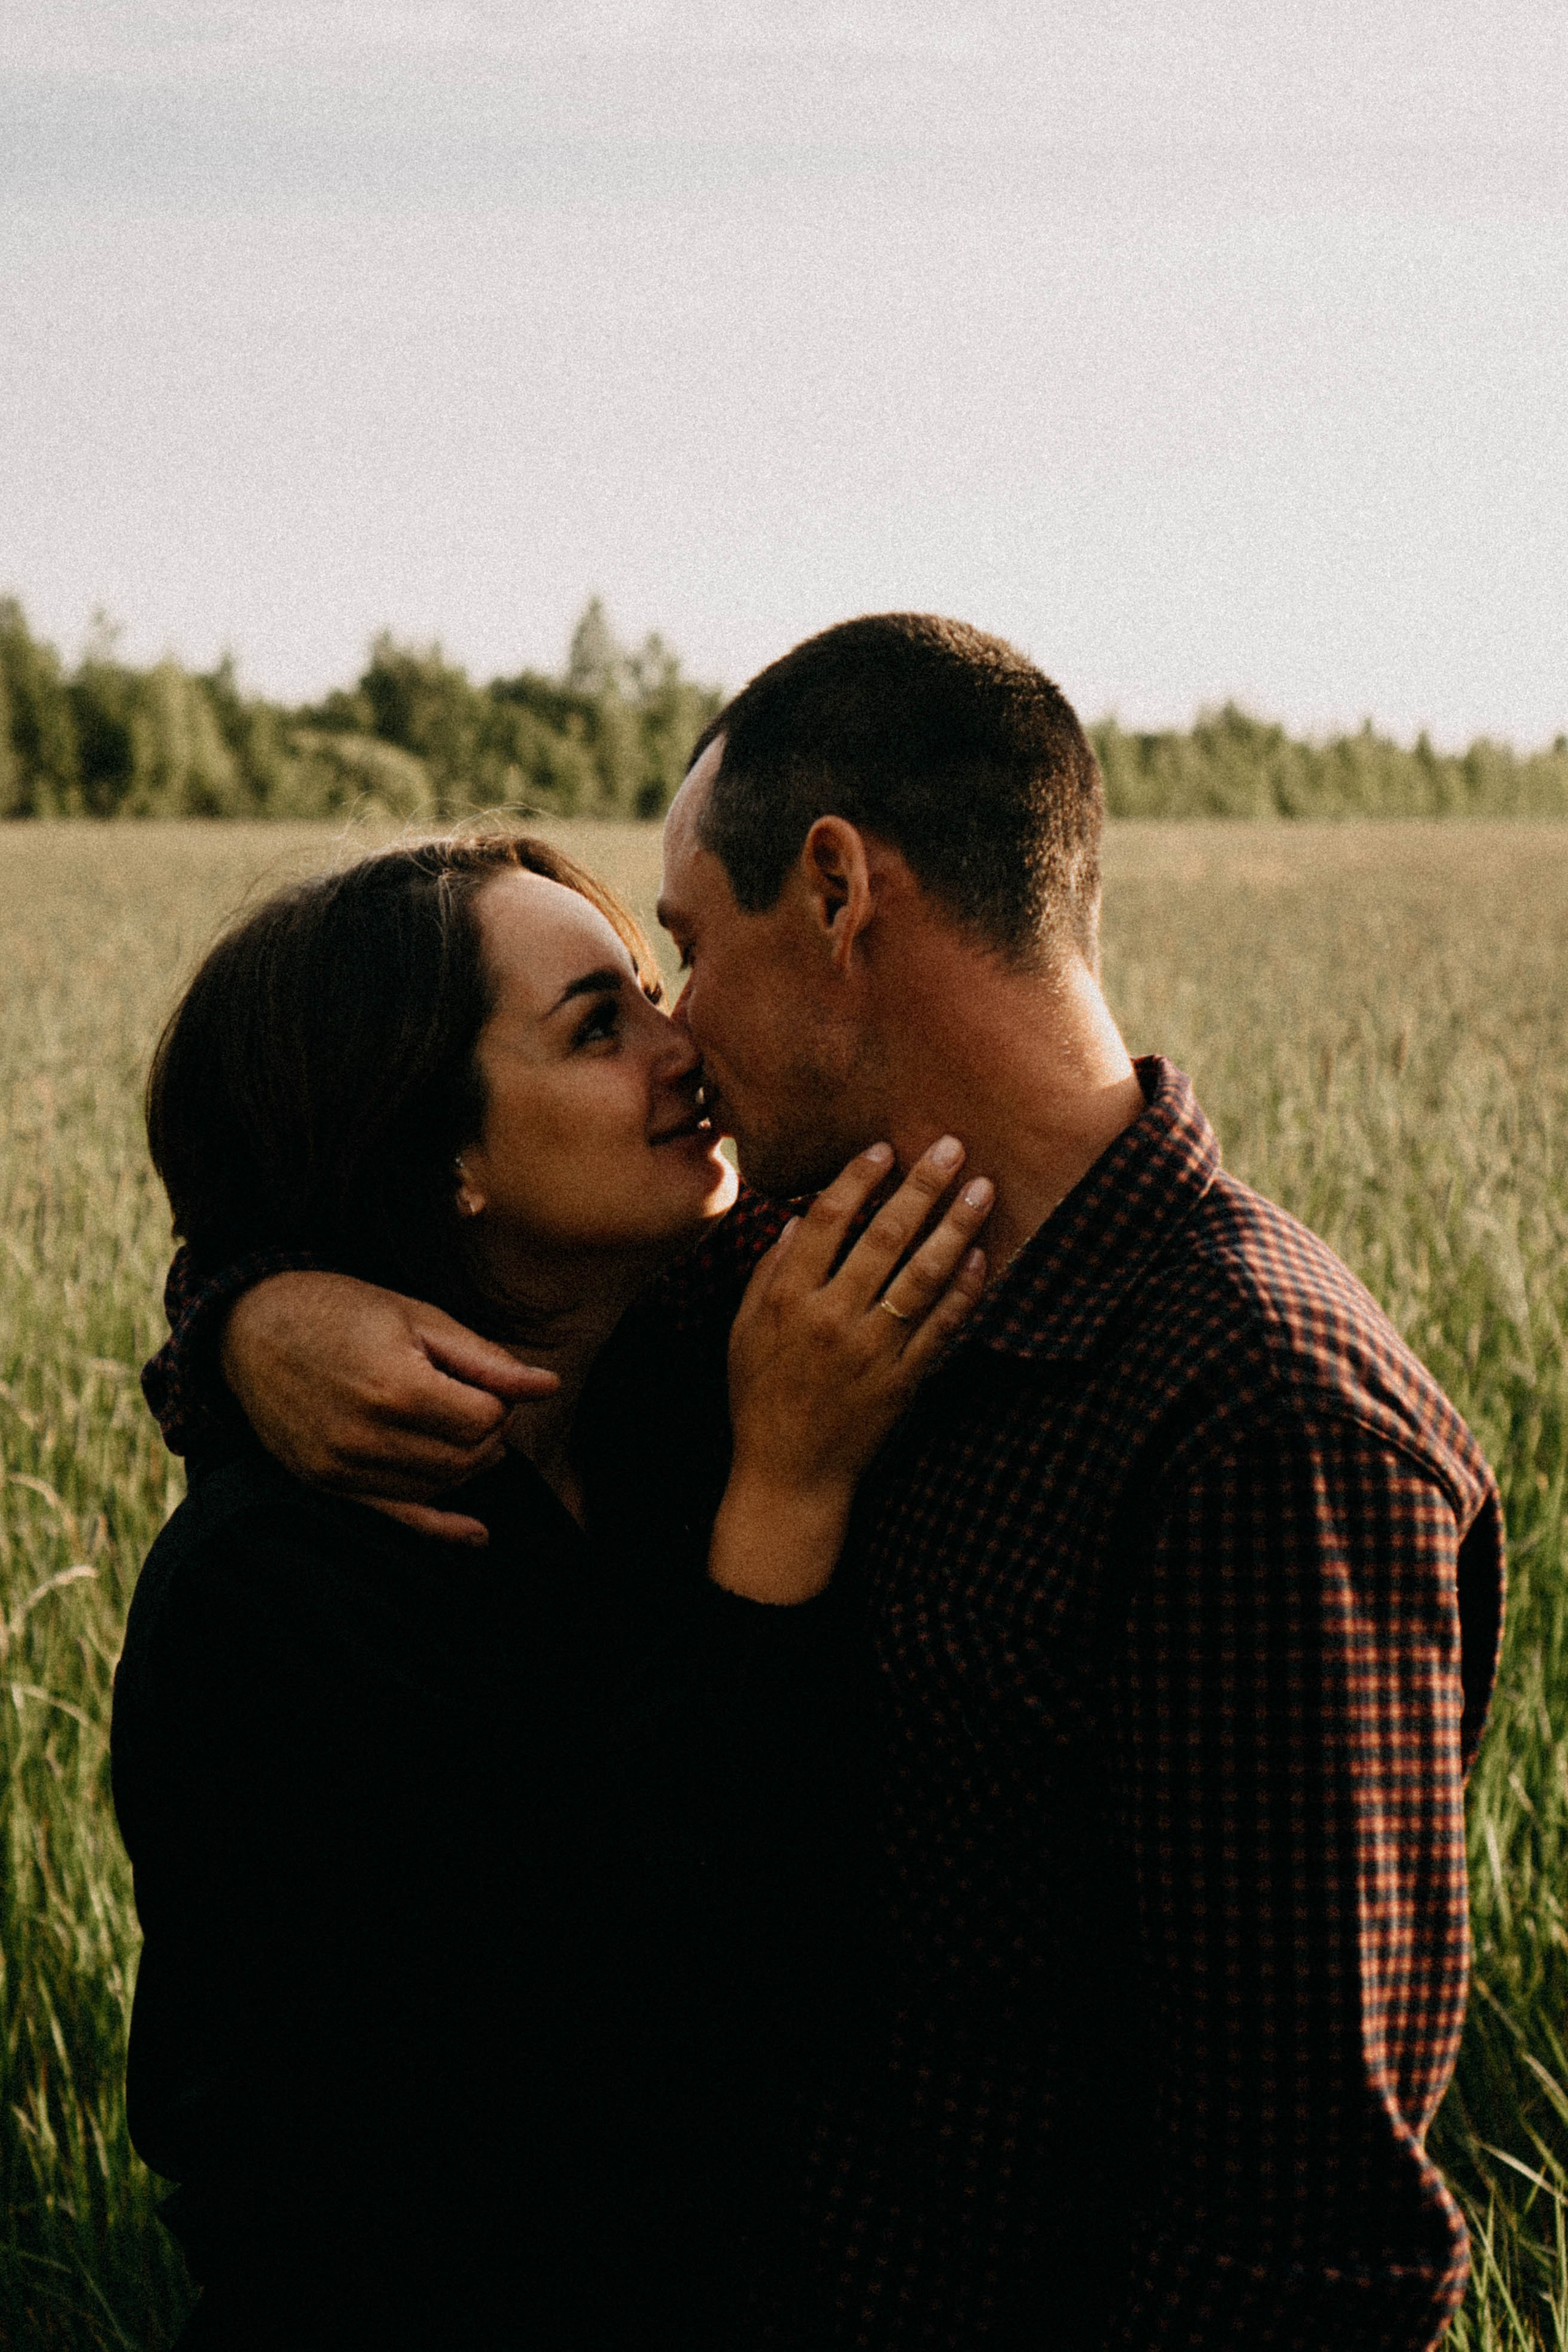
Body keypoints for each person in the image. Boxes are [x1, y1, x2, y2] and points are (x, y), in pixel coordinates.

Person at [146, 615, 1506, 2352]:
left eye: (684, 954)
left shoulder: (1264, 1426)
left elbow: (1302, 2246)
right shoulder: (775, 1291)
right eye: (617, 1008)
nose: (680, 1035)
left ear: (844, 893)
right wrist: (255, 1315)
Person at [114, 831, 993, 2351]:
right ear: (433, 1156)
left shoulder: (675, 1387)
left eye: (656, 990)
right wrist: (782, 1504)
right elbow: (615, 2052)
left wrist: (241, 1308)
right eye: (601, 1027)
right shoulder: (279, 1594)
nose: (687, 1049)